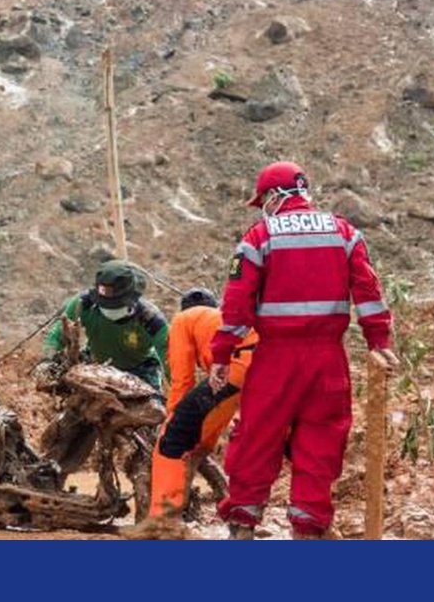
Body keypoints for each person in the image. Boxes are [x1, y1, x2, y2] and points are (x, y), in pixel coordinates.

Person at [211, 161, 398, 540]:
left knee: (256, 439)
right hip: (329, 361)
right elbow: (369, 293)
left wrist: (221, 353)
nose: (263, 207)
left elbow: (237, 304)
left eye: (263, 199)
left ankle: (243, 529)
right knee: (321, 443)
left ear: (274, 196)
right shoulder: (345, 233)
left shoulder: (260, 236)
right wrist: (379, 342)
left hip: (275, 359)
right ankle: (307, 532)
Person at [145, 288, 258, 521]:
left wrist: (171, 418)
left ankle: (163, 521)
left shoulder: (183, 320)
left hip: (241, 364)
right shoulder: (218, 320)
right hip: (273, 364)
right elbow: (218, 412)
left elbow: (182, 379)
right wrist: (202, 446)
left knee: (172, 439)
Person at [42, 260, 169, 392]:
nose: (109, 310)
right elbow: (57, 335)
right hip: (96, 364)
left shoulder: (151, 320)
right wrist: (47, 360)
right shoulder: (83, 304)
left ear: (132, 298)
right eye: (104, 304)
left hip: (140, 368)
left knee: (152, 407)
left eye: (115, 305)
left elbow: (171, 360)